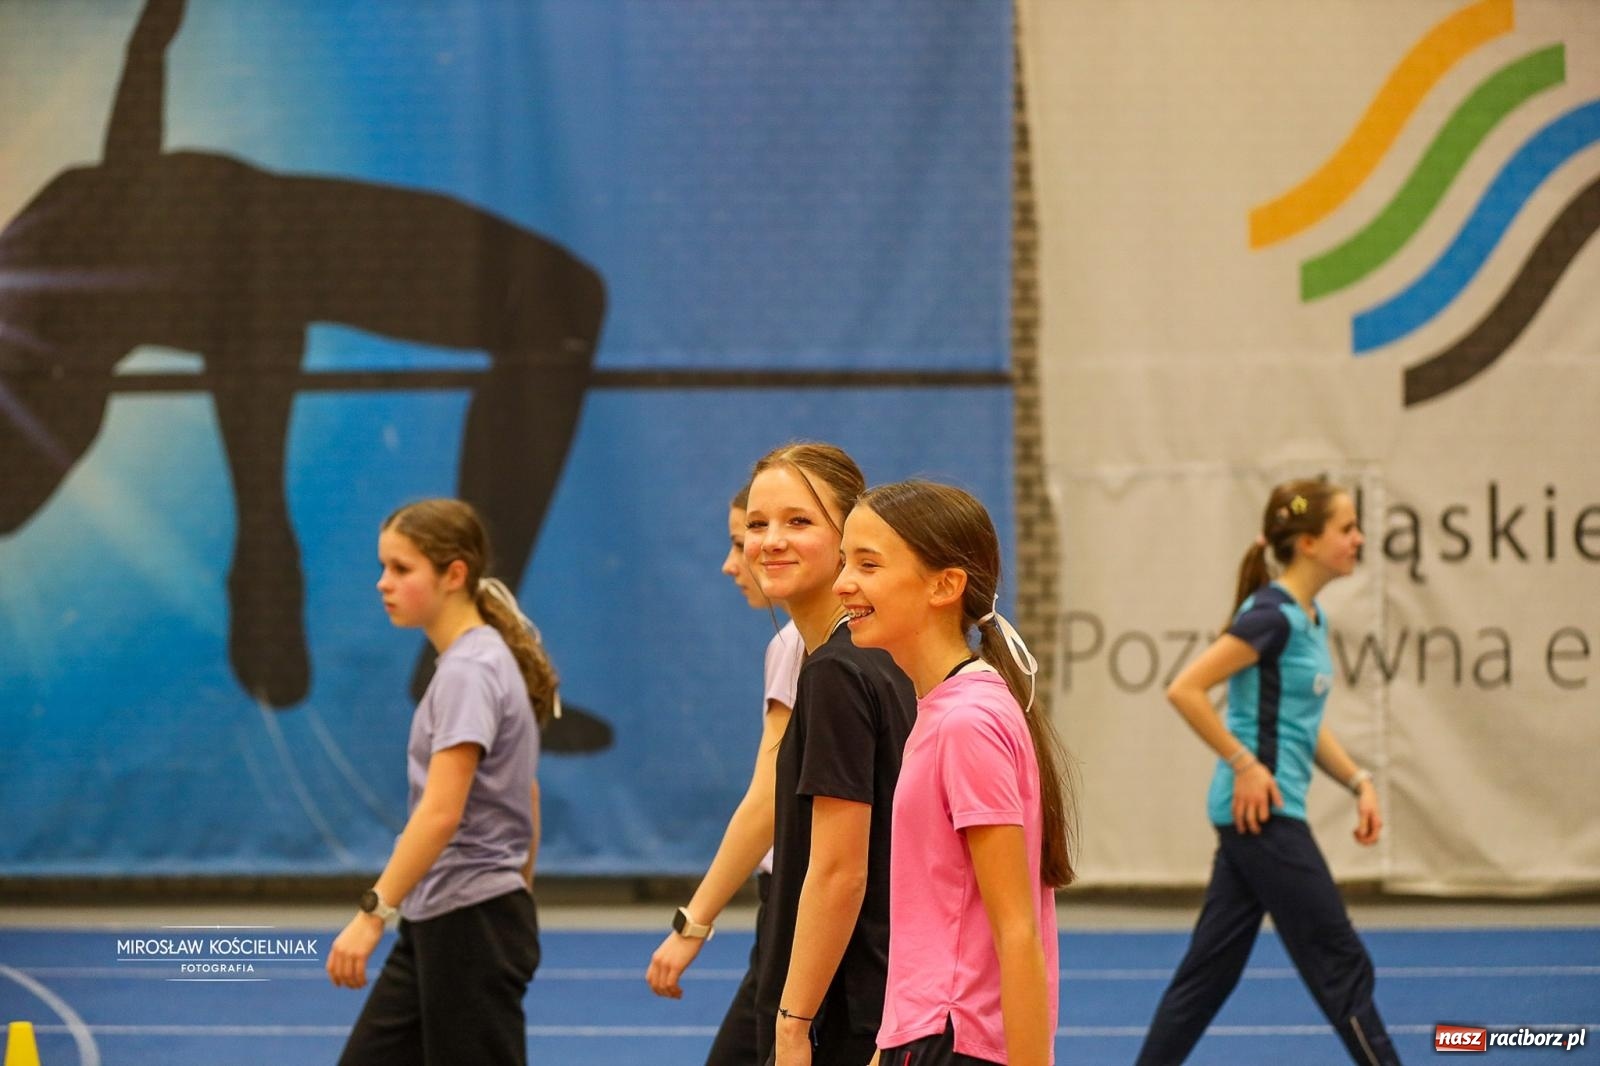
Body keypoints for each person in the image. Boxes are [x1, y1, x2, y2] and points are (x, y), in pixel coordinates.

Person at [1135, 478, 1401, 1065]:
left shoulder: (1309, 617)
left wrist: (1358, 781)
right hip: (1264, 815)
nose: (1359, 538)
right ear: (1307, 543)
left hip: (1256, 817)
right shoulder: (1270, 616)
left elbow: (1303, 723)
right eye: (1347, 528)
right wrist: (1245, 763)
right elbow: (1186, 689)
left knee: (1206, 978)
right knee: (1340, 962)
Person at [835, 479, 1073, 1066]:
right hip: (926, 1030)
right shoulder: (947, 707)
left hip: (953, 1038)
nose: (842, 583)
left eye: (868, 564)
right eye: (845, 562)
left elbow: (1016, 931)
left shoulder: (967, 722)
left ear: (944, 585)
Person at [327, 498, 555, 1066]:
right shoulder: (479, 659)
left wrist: (372, 914)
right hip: (447, 915)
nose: (383, 583)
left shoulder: (469, 672)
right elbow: (526, 792)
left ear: (454, 574)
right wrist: (517, 891)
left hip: (470, 924)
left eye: (401, 568)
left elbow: (440, 812)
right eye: (383, 567)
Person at [743, 443, 916, 1066]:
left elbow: (841, 871)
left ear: (848, 538)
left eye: (798, 521)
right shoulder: (874, 656)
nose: (770, 541)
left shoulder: (839, 672)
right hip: (883, 995)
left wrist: (794, 1024)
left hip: (848, 1008)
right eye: (757, 524)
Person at [645, 484, 806, 1064]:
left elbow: (769, 799)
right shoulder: (807, 644)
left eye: (743, 540)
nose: (732, 562)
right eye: (748, 535)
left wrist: (693, 922)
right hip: (795, 898)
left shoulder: (801, 647)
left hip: (805, 899)